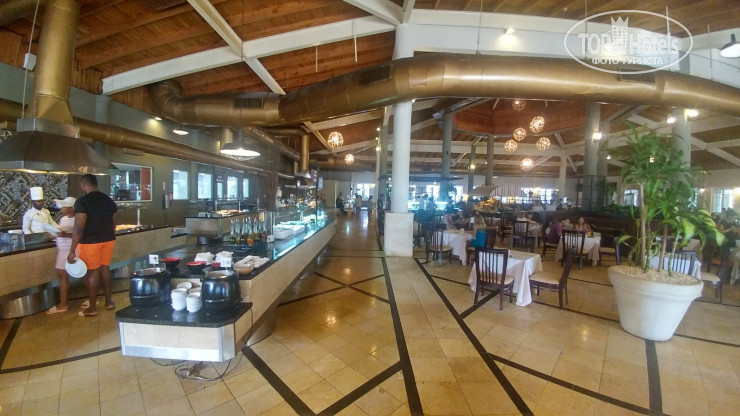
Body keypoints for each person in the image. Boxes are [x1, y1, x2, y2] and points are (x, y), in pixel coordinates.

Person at [68, 174, 118, 317]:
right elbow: (114, 222)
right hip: (108, 239)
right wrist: (107, 234)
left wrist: (72, 250)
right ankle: (109, 302)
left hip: (90, 242)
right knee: (105, 269)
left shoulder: (82, 202)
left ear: (83, 185)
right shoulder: (109, 200)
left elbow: (79, 227)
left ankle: (92, 308)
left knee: (93, 272)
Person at [46, 197, 76, 314]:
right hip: (62, 250)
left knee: (82, 275)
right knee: (62, 275)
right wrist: (53, 234)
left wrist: (64, 235)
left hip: (72, 249)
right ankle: (63, 304)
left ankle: (91, 299)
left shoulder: (77, 219)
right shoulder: (63, 219)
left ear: (71, 208)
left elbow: (80, 235)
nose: (62, 209)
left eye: (64, 207)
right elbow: (60, 233)